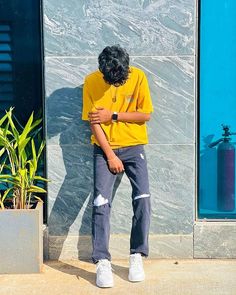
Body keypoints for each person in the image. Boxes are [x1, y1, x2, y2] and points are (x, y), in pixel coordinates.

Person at [82, 45, 153, 288]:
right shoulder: (91, 82)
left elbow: (145, 115)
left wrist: (113, 115)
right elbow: (94, 123)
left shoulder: (138, 77)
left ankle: (137, 255)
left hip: (134, 146)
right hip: (104, 149)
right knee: (101, 202)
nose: (117, 83)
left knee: (143, 198)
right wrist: (110, 155)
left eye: (121, 78)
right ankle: (102, 261)